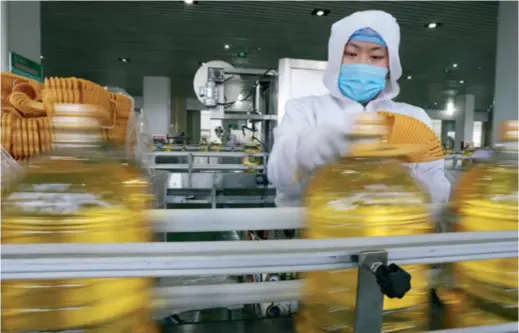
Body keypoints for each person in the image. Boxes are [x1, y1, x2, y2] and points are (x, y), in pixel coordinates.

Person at [267, 10, 451, 207]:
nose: (362, 63)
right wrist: (317, 147)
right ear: (337, 57)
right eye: (351, 53)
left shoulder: (413, 117)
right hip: (321, 231)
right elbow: (281, 179)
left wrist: (405, 182)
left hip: (391, 230)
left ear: (391, 63)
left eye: (376, 56)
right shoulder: (305, 109)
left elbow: (437, 187)